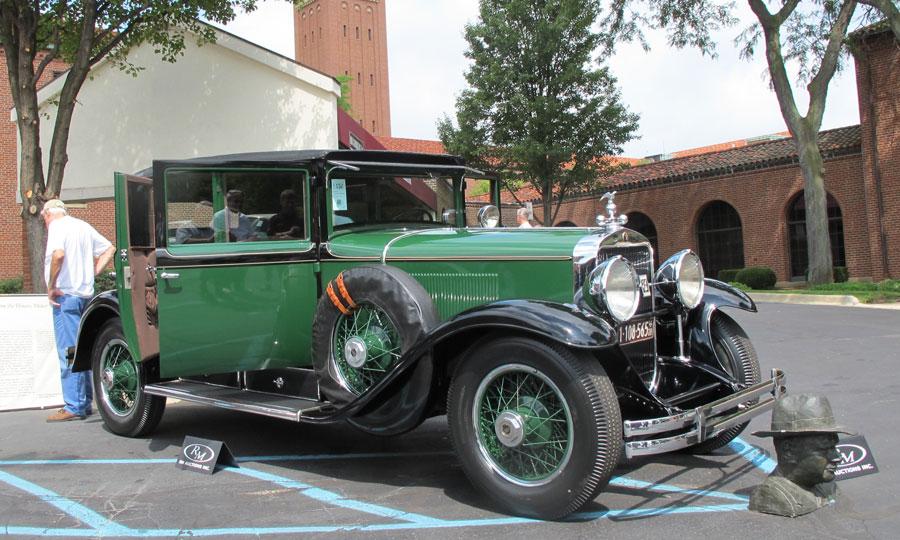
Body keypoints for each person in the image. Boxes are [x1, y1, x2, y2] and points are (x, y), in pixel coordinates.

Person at [42, 199, 115, 422]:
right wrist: (91, 274)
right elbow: (109, 248)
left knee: (69, 351)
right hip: (85, 296)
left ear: (47, 214)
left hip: (67, 297)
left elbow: (58, 255)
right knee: (81, 350)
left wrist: (52, 286)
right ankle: (83, 402)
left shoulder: (57, 226)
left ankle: (74, 405)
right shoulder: (82, 226)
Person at [749, 394, 853, 517]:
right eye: (824, 449)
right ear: (788, 451)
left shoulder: (825, 484)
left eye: (833, 447)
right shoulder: (771, 495)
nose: (838, 457)